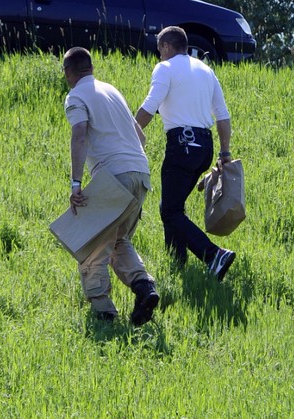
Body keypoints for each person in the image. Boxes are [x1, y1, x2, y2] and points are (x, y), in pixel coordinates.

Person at [62, 47, 160, 325]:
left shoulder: (76, 96)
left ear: (68, 72)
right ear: (91, 68)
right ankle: (144, 288)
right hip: (140, 174)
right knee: (117, 240)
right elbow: (141, 138)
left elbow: (79, 135)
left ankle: (104, 313)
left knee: (92, 242)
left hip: (114, 176)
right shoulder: (112, 91)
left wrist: (76, 183)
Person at [135, 26, 236, 281]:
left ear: (167, 47)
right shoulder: (205, 70)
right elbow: (223, 116)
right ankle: (176, 263)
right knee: (171, 206)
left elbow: (150, 106)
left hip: (182, 143)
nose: (159, 57)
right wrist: (225, 153)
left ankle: (213, 255)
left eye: (159, 51)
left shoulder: (165, 68)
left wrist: (129, 134)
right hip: (205, 145)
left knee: (170, 211)